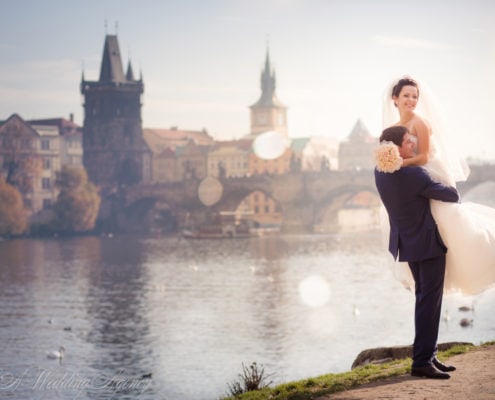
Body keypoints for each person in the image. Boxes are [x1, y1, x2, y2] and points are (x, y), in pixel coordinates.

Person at [382, 76, 495, 295]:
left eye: (415, 96)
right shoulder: (394, 128)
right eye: (406, 96)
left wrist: (399, 163)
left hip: (428, 175)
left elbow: (423, 156)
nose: (411, 100)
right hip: (410, 181)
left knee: (447, 224)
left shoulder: (420, 123)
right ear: (395, 99)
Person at [374, 125, 459, 379]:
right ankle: (421, 361)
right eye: (409, 142)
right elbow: (451, 195)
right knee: (428, 302)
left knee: (425, 300)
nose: (413, 145)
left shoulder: (380, 172)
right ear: (395, 146)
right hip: (427, 245)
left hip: (408, 245)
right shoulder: (414, 176)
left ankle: (428, 354)